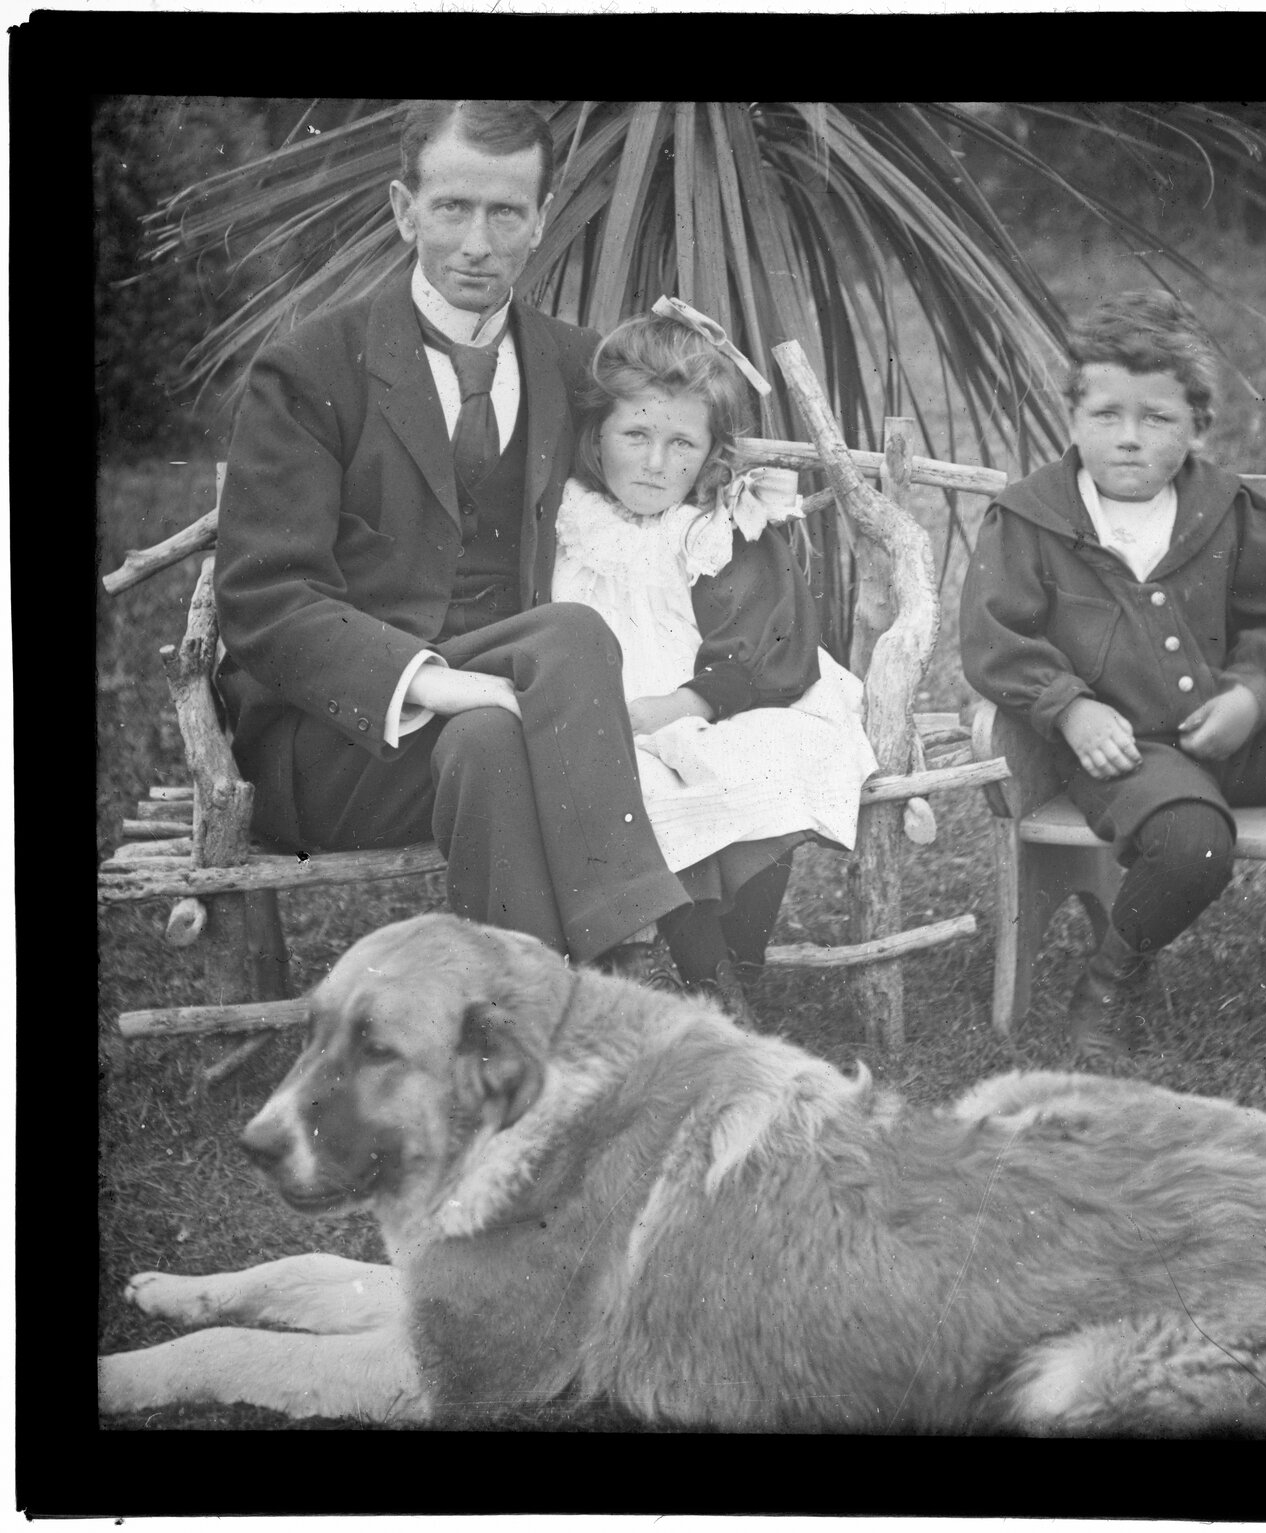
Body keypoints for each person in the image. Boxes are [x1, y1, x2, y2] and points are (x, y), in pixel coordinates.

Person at [213, 100, 691, 981]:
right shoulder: (311, 368)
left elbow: (684, 416)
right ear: (405, 210)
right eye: (452, 208)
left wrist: (706, 376)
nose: (477, 241)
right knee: (567, 638)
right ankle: (630, 965)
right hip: (340, 742)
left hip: (494, 723)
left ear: (542, 221)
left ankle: (525, 1013)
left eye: (506, 212)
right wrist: (437, 681)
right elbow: (264, 602)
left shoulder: (567, 362)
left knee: (496, 728)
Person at [960, 290, 1266, 1060]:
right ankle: (1110, 981)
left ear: (1198, 427)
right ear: (1071, 418)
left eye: (1157, 420)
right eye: (1106, 415)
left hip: (1237, 731)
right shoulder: (1029, 520)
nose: (1127, 439)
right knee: (1193, 845)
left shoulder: (1225, 509)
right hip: (1125, 758)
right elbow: (994, 636)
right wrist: (1071, 709)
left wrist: (1253, 693)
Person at [550, 300, 879, 1023]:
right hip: (599, 712)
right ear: (595, 434)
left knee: (762, 762)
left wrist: (681, 707)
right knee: (635, 784)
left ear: (711, 450)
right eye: (634, 434)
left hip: (721, 699)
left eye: (681, 443)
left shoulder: (714, 526)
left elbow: (763, 646)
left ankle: (736, 961)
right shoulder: (570, 519)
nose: (656, 461)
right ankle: (706, 978)